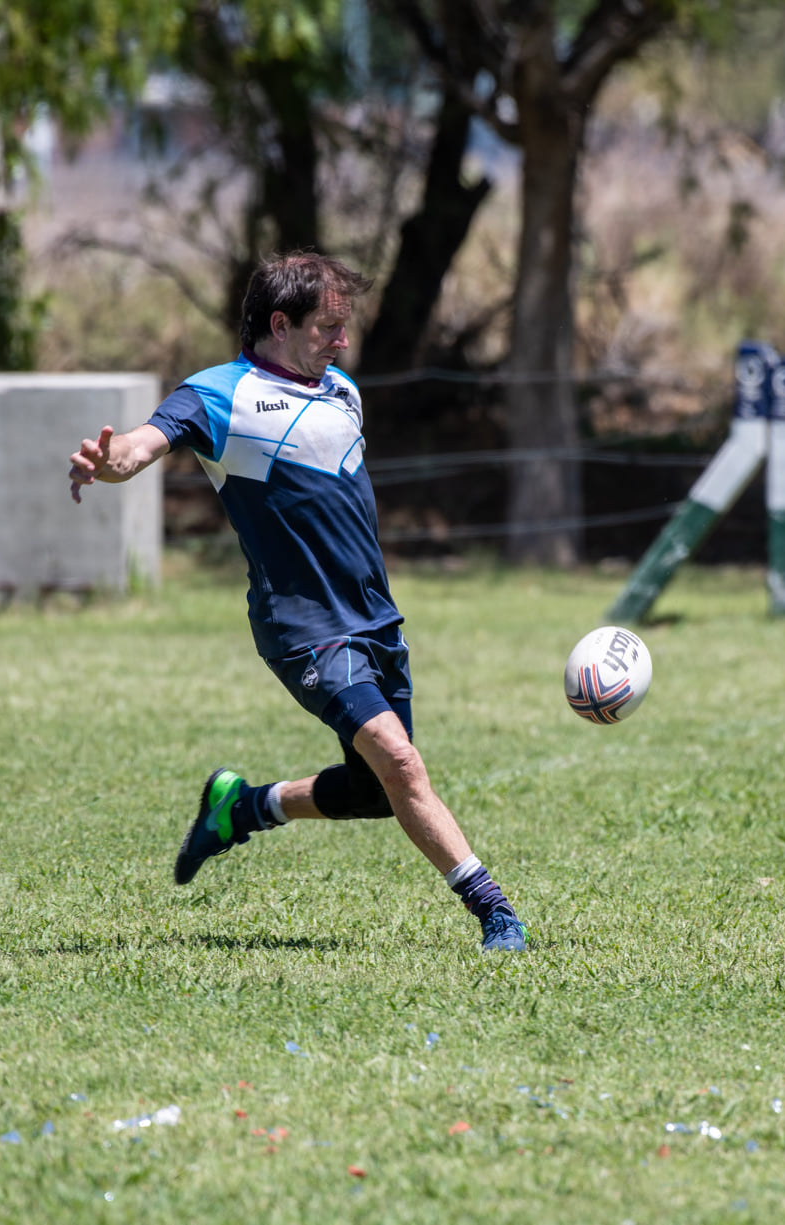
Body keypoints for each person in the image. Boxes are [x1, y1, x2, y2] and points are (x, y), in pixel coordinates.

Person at [66, 251, 528, 953]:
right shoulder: (215, 394)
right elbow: (140, 445)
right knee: (400, 762)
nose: (342, 343)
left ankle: (244, 808)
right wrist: (112, 461)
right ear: (279, 323)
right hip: (302, 624)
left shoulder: (342, 390)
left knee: (374, 789)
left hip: (374, 617)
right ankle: (494, 911)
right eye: (328, 328)